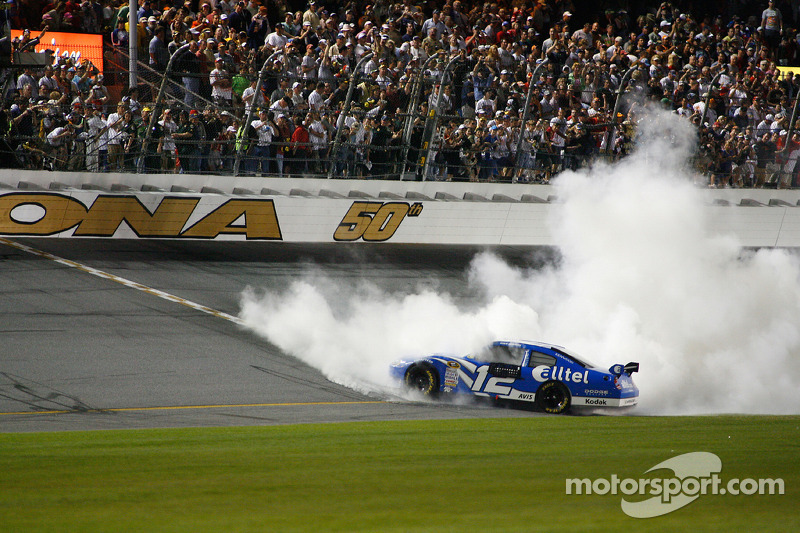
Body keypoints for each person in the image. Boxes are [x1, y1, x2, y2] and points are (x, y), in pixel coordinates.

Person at [250, 108, 275, 175]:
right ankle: (252, 174)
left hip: (266, 146)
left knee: (265, 165)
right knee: (254, 163)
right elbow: (251, 131)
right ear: (260, 115)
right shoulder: (255, 122)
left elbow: (276, 134)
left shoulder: (269, 124)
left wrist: (272, 125)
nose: (264, 116)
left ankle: (265, 175)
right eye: (263, 114)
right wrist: (261, 125)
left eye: (265, 114)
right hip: (257, 146)